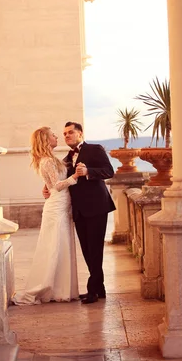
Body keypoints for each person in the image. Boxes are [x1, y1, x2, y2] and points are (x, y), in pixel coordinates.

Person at [12, 127, 81, 305]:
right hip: (56, 206)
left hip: (62, 205)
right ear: (45, 139)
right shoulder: (47, 161)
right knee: (54, 246)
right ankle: (50, 288)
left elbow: (50, 185)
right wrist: (75, 176)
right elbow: (57, 186)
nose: (56, 136)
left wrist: (47, 187)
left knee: (63, 245)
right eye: (53, 135)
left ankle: (62, 289)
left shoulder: (51, 159)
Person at [61, 121, 116, 304]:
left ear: (80, 134)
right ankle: (99, 289)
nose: (67, 136)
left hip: (97, 207)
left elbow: (109, 171)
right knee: (86, 249)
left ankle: (92, 289)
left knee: (95, 249)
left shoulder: (95, 149)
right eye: (65, 134)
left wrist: (88, 171)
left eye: (70, 132)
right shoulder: (67, 158)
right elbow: (64, 180)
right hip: (79, 210)